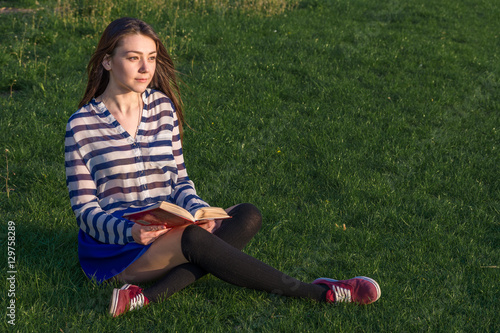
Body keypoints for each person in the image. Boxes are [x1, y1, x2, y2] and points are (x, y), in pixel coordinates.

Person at [65, 17, 381, 317]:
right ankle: (320, 292)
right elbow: (85, 211)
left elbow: (180, 181)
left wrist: (200, 211)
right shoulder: (81, 126)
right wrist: (131, 231)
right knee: (195, 240)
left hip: (169, 228)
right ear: (107, 61)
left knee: (246, 215)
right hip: (118, 248)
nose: (146, 67)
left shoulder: (163, 108)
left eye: (151, 57)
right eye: (134, 58)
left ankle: (144, 297)